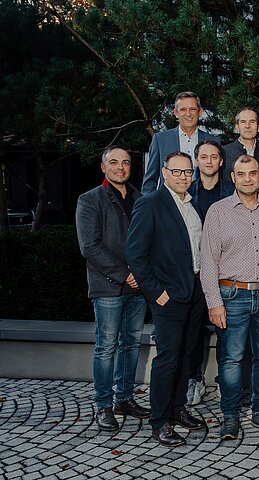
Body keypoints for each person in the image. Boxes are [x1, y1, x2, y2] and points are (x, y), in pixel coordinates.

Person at [200, 154, 259, 439]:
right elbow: (208, 261)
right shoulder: (217, 212)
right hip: (232, 295)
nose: (247, 178)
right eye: (241, 174)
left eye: (252, 173)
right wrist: (214, 302)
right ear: (233, 177)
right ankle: (230, 416)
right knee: (231, 358)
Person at [126, 152, 207, 447]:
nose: (184, 177)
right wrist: (155, 293)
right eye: (177, 172)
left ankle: (177, 409)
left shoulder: (191, 204)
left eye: (188, 172)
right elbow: (135, 253)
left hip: (195, 292)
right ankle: (159, 421)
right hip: (168, 296)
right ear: (164, 172)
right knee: (168, 359)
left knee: (186, 356)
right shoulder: (150, 203)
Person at [76, 146, 150, 431]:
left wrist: (140, 274)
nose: (121, 167)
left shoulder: (139, 198)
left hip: (137, 287)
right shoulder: (90, 199)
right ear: (103, 167)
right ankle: (104, 405)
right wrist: (125, 274)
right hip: (108, 286)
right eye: (114, 162)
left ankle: (125, 398)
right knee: (106, 347)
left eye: (126, 163)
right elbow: (89, 247)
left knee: (131, 344)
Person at [185, 140, 235, 407]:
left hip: (225, 272)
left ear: (221, 162)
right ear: (196, 161)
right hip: (195, 273)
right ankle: (194, 378)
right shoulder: (186, 192)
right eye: (203, 157)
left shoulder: (231, 192)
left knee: (227, 329)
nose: (208, 161)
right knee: (193, 331)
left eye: (213, 157)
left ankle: (228, 380)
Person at [141, 92, 221, 194]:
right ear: (176, 113)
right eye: (183, 109)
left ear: (200, 112)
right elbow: (150, 179)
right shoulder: (160, 140)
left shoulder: (213, 141)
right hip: (168, 203)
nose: (188, 114)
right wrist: (147, 206)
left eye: (192, 109)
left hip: (203, 202)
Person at [223, 107, 259, 187]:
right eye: (243, 122)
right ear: (237, 127)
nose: (247, 126)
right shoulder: (224, 153)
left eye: (252, 122)